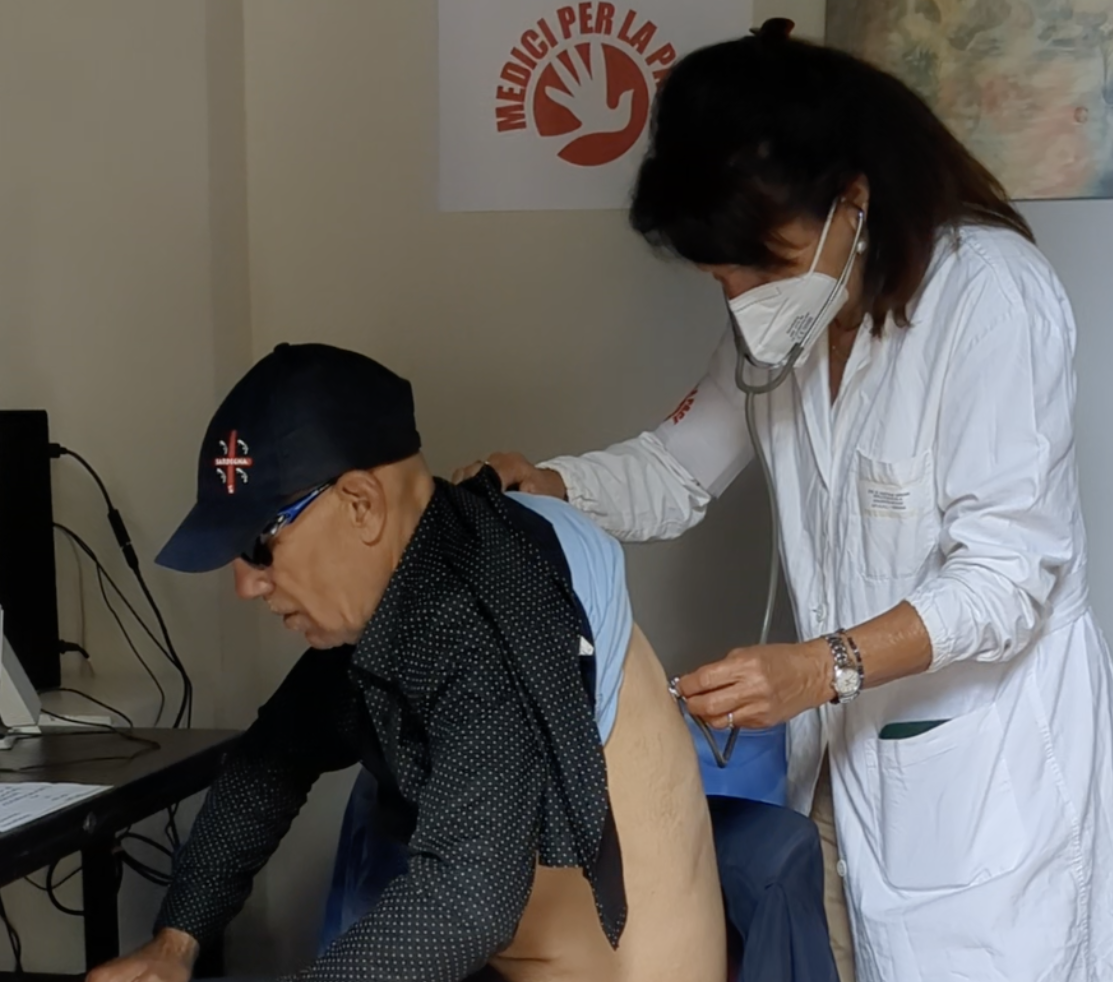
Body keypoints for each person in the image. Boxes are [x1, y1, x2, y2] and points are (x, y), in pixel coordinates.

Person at [456, 21, 1113, 982]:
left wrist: (818, 667)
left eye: (762, 266)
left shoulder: (989, 299)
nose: (741, 300)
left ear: (854, 202)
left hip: (981, 780)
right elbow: (677, 468)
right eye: (721, 277)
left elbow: (1008, 576)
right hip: (838, 775)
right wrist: (551, 484)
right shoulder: (781, 325)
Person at [86, 343, 727, 982]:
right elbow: (273, 760)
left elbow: (468, 898)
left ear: (360, 505)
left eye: (258, 546)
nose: (246, 585)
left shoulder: (484, 615)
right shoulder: (420, 569)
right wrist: (175, 943)